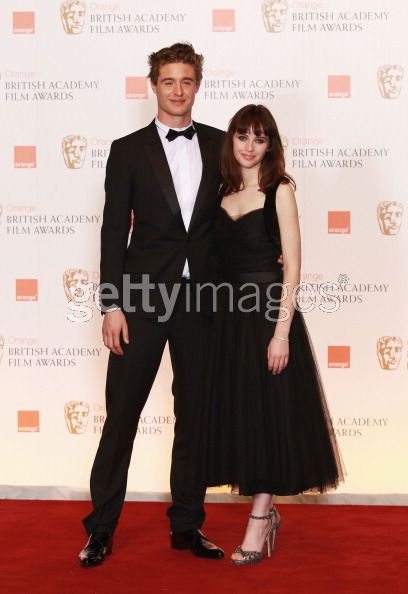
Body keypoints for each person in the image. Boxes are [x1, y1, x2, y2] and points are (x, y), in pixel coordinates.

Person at [78, 42, 225, 566]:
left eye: (186, 80)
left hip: (202, 301)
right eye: (168, 81)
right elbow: (112, 232)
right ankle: (100, 529)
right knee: (122, 415)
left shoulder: (221, 144)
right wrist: (111, 304)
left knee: (195, 417)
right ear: (154, 86)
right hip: (140, 300)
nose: (178, 90)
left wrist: (271, 251)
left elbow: (236, 217)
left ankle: (187, 525)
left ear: (197, 85)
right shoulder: (127, 150)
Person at [192, 104, 344, 565]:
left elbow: (292, 267)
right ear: (231, 140)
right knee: (245, 417)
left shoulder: (281, 190)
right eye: (243, 136)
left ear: (270, 145)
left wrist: (281, 334)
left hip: (267, 318)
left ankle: (259, 519)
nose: (250, 146)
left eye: (259, 139)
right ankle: (266, 514)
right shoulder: (219, 192)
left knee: (269, 417)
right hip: (228, 322)